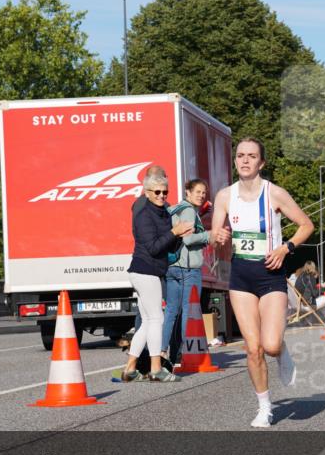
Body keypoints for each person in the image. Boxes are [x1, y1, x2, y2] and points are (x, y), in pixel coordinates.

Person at [211, 138, 314, 428]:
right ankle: (264, 407)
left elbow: (306, 224)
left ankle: (280, 349)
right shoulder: (224, 196)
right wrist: (217, 237)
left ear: (261, 163)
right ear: (235, 161)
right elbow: (214, 236)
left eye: (251, 156)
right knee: (252, 348)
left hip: (270, 275)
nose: (245, 160)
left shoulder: (274, 194)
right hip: (241, 276)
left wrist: (286, 249)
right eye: (240, 155)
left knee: (269, 345)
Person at [122, 171, 194, 382]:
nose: (162, 196)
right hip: (146, 270)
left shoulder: (161, 211)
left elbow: (166, 243)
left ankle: (129, 369)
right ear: (147, 192)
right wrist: (174, 232)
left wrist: (179, 235)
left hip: (150, 270)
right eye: (157, 192)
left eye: (165, 192)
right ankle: (156, 368)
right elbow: (153, 247)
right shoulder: (144, 212)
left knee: (146, 321)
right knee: (157, 319)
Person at [161, 178, 211, 367]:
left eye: (204, 192)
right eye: (197, 192)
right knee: (189, 312)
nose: (201, 195)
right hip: (187, 268)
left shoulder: (175, 209)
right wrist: (209, 235)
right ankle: (184, 353)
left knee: (171, 311)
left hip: (171, 266)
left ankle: (162, 351)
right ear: (188, 192)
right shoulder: (189, 210)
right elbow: (189, 239)